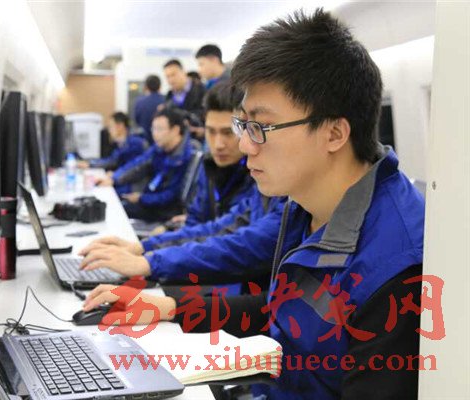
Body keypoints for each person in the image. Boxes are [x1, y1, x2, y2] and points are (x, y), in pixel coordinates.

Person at [81, 9, 425, 400]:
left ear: (333, 133)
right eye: (243, 125)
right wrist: (168, 306)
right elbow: (281, 310)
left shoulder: (396, 266)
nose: (244, 144)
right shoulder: (307, 205)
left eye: (260, 127)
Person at [97, 107, 195, 222]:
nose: (154, 134)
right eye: (153, 129)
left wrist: (142, 198)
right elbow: (138, 164)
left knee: (114, 211)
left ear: (175, 130)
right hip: (151, 200)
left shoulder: (186, 156)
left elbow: (172, 195)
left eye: (159, 129)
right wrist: (114, 178)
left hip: (165, 211)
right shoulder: (160, 148)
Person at [184, 81, 254, 227]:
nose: (218, 145)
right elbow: (195, 218)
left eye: (228, 132)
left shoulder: (261, 174)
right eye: (211, 131)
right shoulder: (208, 165)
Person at [77, 112, 148, 195]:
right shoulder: (122, 143)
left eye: (111, 126)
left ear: (120, 126)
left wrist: (114, 176)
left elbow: (128, 166)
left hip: (135, 188)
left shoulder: (135, 143)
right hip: (125, 181)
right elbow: (113, 160)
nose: (109, 131)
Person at [163, 59, 206, 136]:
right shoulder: (169, 96)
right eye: (167, 77)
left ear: (183, 72)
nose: (171, 80)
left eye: (173, 75)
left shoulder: (202, 90)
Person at [133, 75, 165, 144]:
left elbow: (136, 121)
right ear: (160, 86)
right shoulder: (166, 100)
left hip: (145, 140)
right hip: (163, 140)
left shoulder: (139, 102)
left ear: (146, 87)